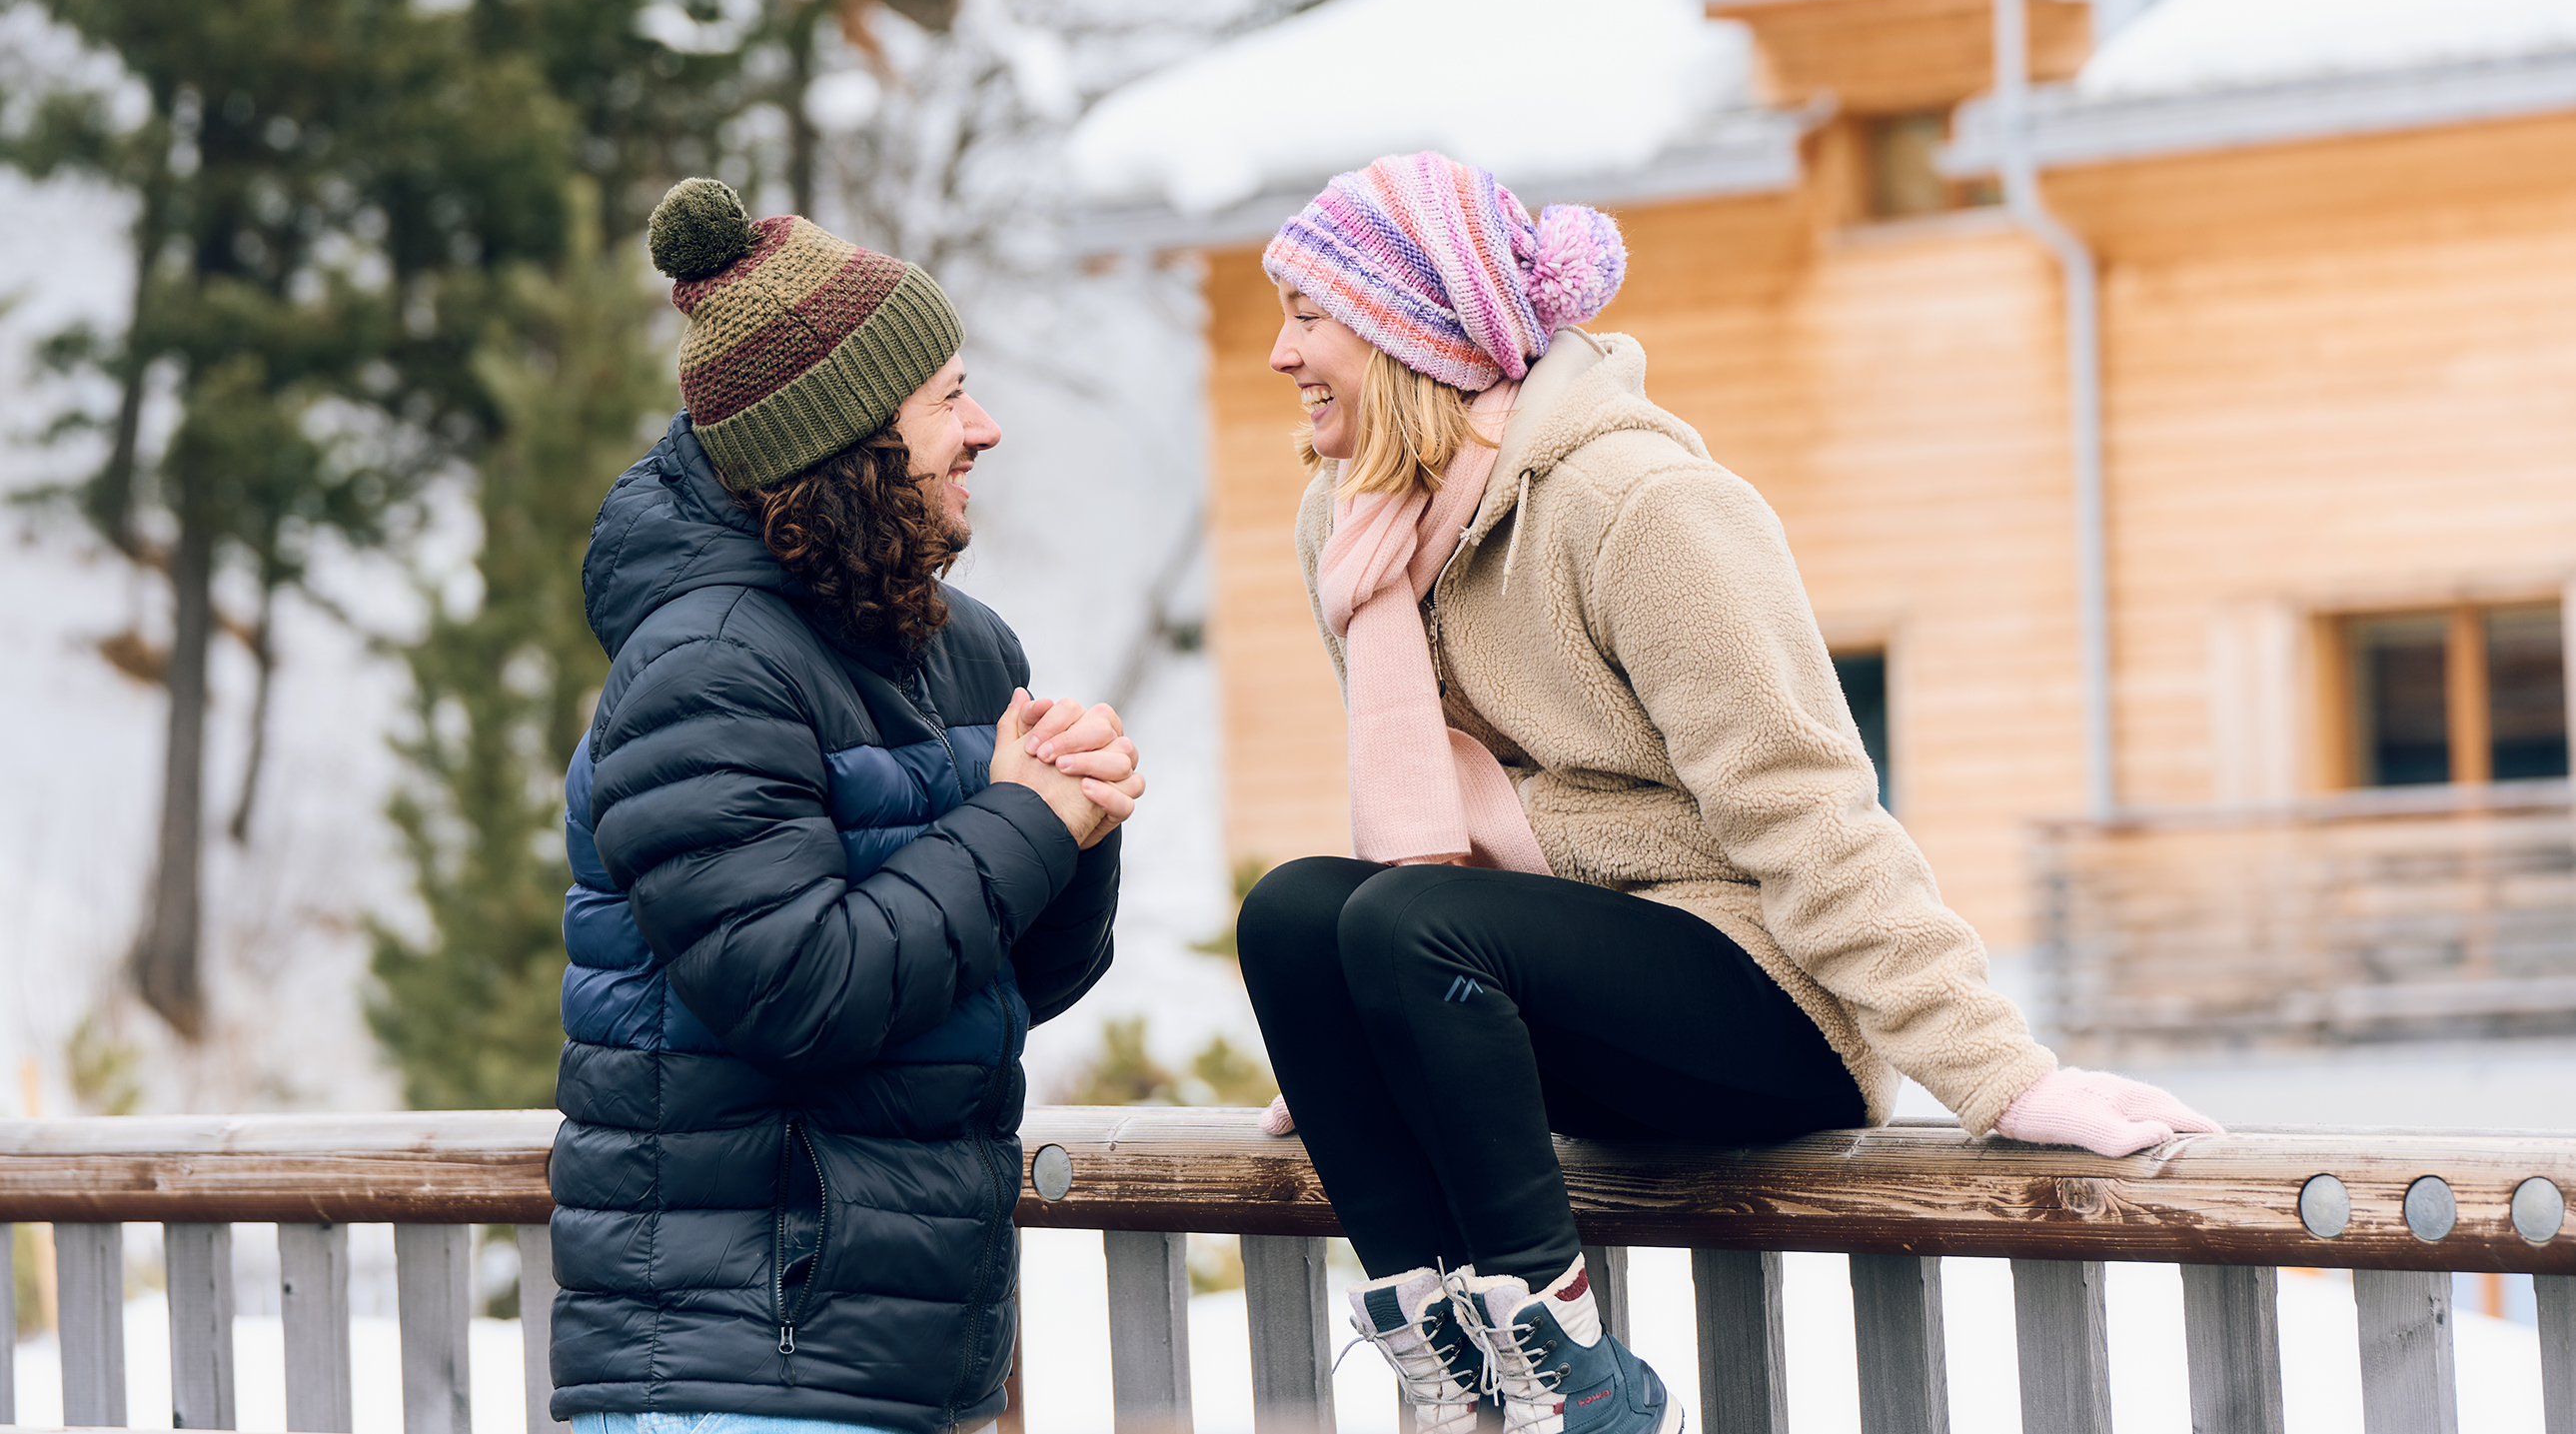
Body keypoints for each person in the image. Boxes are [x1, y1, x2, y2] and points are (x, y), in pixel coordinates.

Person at [1236, 153, 2218, 1434]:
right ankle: (1450, 1347)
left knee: (1393, 924)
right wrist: (1368, 1047)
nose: (1277, 353)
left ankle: (1572, 1373)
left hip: (1763, 1014)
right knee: (1296, 913)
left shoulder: (1642, 508)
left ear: (1402, 330)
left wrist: (1996, 1072)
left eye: (1307, 315)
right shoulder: (1356, 527)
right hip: (1552, 989)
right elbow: (1429, 814)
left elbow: (1807, 808)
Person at [547, 179, 1143, 1434]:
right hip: (737, 1374)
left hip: (912, 1366)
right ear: (849, 441)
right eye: (944, 399)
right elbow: (791, 987)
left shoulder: (961, 648)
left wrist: (1076, 822)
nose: (982, 428)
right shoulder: (704, 666)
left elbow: (1005, 989)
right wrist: (1024, 823)